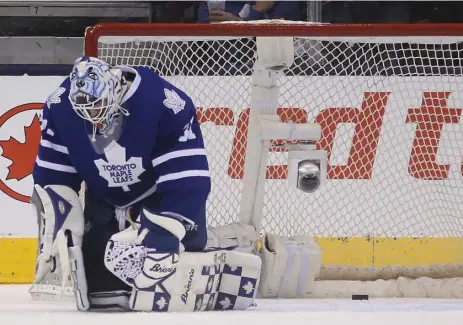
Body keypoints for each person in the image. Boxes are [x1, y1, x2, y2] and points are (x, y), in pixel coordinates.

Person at [31, 56, 260, 312]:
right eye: (85, 111)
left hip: (156, 196)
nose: (93, 117)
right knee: (99, 291)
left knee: (180, 253)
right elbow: (53, 175)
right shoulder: (59, 106)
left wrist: (169, 228)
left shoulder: (165, 102)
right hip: (103, 197)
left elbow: (186, 178)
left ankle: (223, 241)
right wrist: (56, 226)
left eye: (98, 106)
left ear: (116, 88)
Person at [197, 1, 301, 23]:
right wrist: (237, 22)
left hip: (272, 71)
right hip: (219, 72)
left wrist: (257, 10)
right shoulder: (213, 4)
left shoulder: (286, 3)